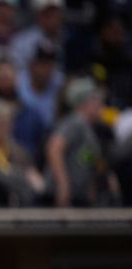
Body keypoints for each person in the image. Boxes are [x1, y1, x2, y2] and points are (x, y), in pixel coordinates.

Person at [45, 77, 119, 206]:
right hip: (60, 197)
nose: (101, 105)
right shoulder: (75, 122)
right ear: (85, 102)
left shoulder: (88, 128)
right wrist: (63, 185)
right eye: (96, 100)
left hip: (79, 197)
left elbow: (85, 158)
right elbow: (54, 148)